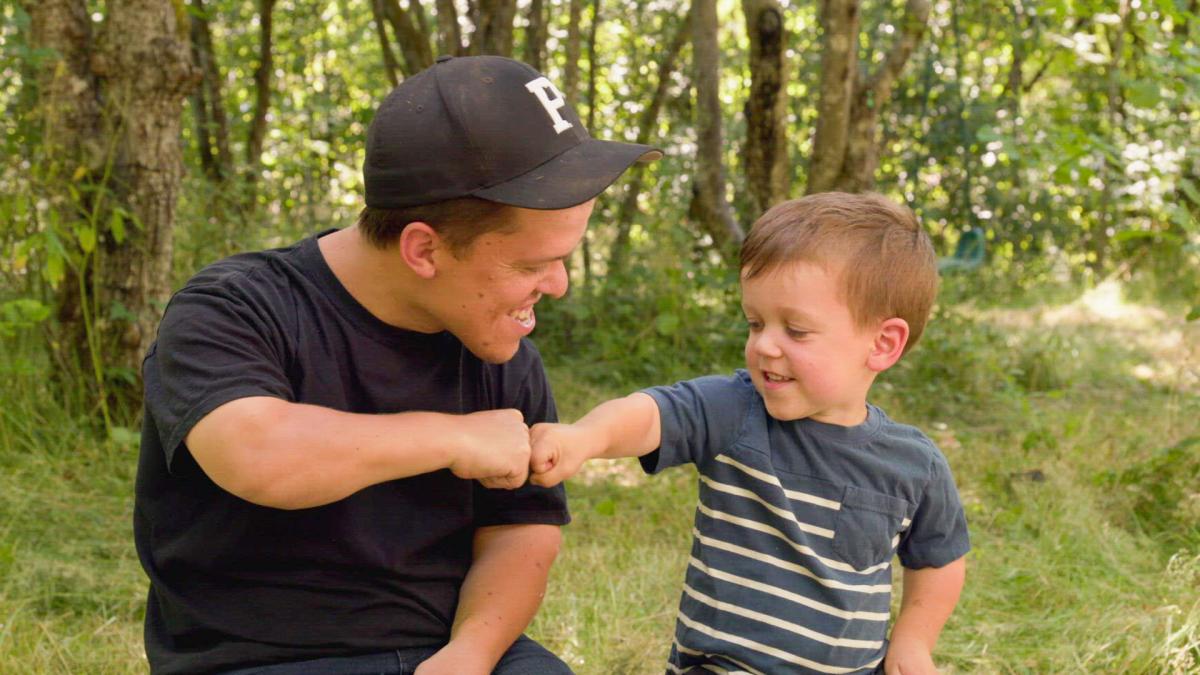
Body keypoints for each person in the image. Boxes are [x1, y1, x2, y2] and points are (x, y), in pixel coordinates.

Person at [133, 55, 659, 675]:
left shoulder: (501, 352)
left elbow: (522, 531)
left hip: (454, 650)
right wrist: (452, 437)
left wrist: (470, 654)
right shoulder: (235, 307)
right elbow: (255, 454)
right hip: (261, 659)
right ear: (424, 249)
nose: (560, 285)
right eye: (530, 265)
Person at [528, 192, 970, 675]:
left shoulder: (914, 465)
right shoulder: (736, 410)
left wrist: (913, 642)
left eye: (796, 331)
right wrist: (585, 437)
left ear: (882, 344)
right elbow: (651, 414)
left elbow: (938, 559)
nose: (764, 347)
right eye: (755, 324)